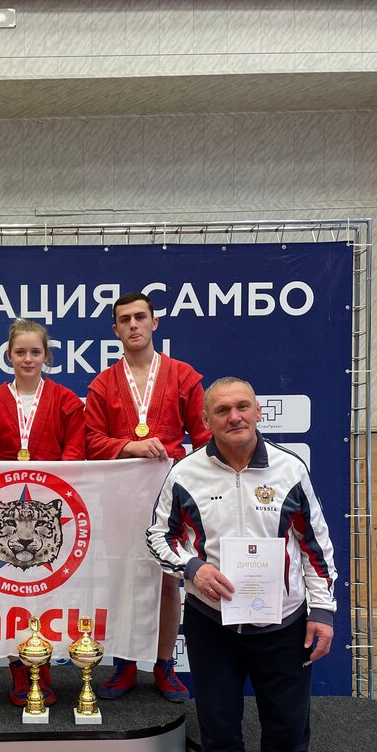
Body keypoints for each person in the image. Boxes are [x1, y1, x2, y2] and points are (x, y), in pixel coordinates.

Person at [147, 377, 336, 752]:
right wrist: (192, 568)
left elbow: (316, 547)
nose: (234, 417)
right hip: (212, 624)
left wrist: (322, 612)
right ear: (205, 420)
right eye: (222, 410)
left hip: (285, 624)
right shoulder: (186, 472)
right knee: (219, 724)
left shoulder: (290, 469)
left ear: (258, 412)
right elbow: (158, 537)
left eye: (243, 406)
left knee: (288, 727)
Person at [85, 291, 210, 702]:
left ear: (154, 323)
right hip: (119, 497)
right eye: (125, 320)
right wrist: (129, 446)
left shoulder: (183, 376)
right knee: (122, 581)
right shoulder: (103, 383)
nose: (134, 325)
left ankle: (163, 664)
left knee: (168, 582)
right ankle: (123, 663)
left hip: (168, 495)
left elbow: (204, 436)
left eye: (140, 317)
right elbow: (90, 441)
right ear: (115, 329)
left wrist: (200, 484)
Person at [0, 318, 86, 705]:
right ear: (8, 355)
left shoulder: (66, 401)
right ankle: (17, 667)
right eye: (20, 352)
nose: (28, 358)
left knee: (46, 590)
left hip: (48, 514)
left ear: (47, 356)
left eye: (35, 352)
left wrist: (49, 485)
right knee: (10, 592)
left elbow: (75, 453)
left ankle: (43, 665)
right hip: (8, 514)